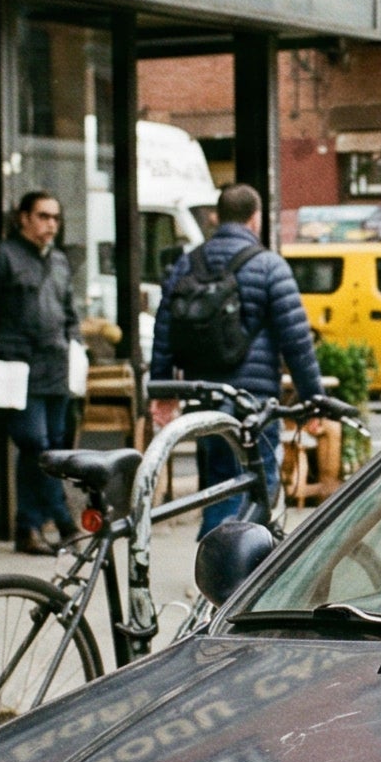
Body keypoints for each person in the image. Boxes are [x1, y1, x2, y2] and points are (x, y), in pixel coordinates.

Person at [148, 183, 324, 532]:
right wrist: (313, 400)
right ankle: (237, 573)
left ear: (218, 217)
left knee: (217, 482)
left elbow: (164, 329)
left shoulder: (188, 262)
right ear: (255, 218)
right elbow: (297, 342)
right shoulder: (269, 266)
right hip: (252, 399)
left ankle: (211, 566)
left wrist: (163, 390)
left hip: (203, 395)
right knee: (259, 480)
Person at [0, 190, 84, 555]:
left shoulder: (60, 261)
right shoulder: (1, 257)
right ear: (23, 218)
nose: (50, 224)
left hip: (55, 365)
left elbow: (69, 313)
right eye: (42, 216)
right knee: (35, 444)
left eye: (55, 217)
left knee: (51, 446)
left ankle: (29, 526)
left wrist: (76, 345)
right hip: (17, 366)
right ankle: (64, 522)